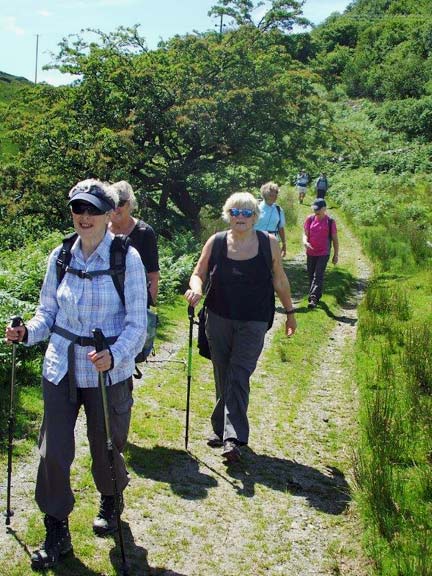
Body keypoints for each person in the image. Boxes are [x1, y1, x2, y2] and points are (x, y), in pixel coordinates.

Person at [5, 179, 147, 570]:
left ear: (107, 215)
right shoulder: (61, 255)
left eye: (92, 211)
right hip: (61, 365)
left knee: (107, 448)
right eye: (78, 210)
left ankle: (110, 496)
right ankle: (57, 529)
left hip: (105, 373)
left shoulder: (126, 259)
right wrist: (26, 333)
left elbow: (138, 323)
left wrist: (115, 355)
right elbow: (47, 314)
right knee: (53, 452)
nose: (84, 217)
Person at [185, 192, 296, 463]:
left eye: (247, 213)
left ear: (255, 217)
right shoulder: (217, 242)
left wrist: (290, 312)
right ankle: (222, 429)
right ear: (228, 215)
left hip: (254, 320)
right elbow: (198, 273)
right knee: (223, 373)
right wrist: (196, 290)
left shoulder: (268, 243)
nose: (241, 217)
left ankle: (233, 438)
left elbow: (279, 280)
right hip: (218, 317)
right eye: (235, 212)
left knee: (238, 373)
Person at [109, 180, 160, 306]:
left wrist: (146, 308)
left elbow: (153, 275)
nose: (116, 208)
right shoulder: (101, 230)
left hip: (135, 300)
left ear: (129, 204)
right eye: (112, 202)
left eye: (120, 202)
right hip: (106, 301)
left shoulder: (144, 232)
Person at [302, 198, 339, 309]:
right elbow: (305, 234)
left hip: (324, 253)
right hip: (311, 252)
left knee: (318, 275)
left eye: (318, 209)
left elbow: (335, 239)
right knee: (310, 275)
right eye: (314, 209)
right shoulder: (310, 219)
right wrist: (305, 242)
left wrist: (336, 254)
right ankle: (316, 295)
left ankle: (313, 299)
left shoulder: (330, 221)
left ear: (324, 208)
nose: (315, 211)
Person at [254, 181, 287, 257]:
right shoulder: (256, 208)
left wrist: (284, 244)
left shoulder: (279, 210)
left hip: (273, 243)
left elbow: (281, 227)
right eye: (271, 193)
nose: (274, 195)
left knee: (272, 266)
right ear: (265, 194)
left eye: (276, 193)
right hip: (256, 241)